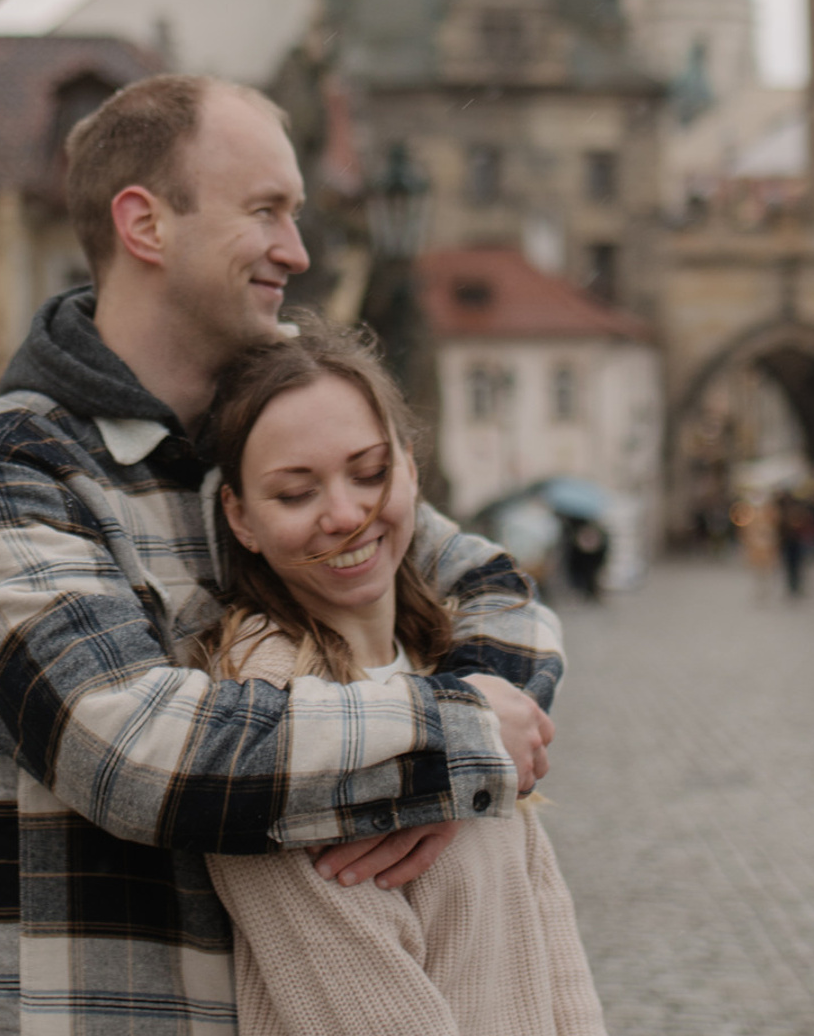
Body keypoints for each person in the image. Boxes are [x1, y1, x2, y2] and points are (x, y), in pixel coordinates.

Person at [0, 75, 564, 1034]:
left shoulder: (271, 433)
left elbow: (495, 591)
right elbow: (130, 751)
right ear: (145, 224)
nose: (297, 250)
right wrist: (452, 740)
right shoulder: (12, 471)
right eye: (266, 211)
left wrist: (457, 752)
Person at [200, 320, 607, 1036]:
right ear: (241, 517)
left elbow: (549, 938)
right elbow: (368, 1013)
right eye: (295, 494)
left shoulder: (457, 666)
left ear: (411, 469)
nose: (346, 515)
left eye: (369, 473)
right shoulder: (266, 707)